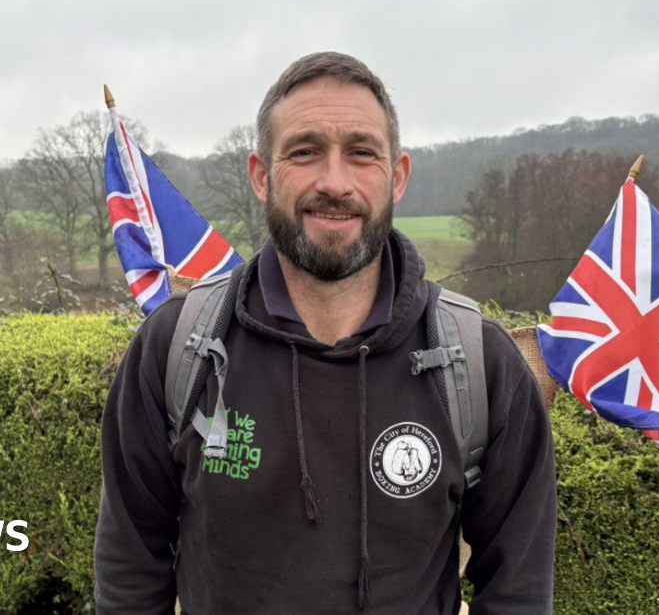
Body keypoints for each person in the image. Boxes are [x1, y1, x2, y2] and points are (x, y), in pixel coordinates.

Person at [94, 52, 556, 614]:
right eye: (305, 151)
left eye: (361, 153)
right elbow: (130, 568)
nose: (334, 182)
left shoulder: (479, 363)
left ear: (397, 177)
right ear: (261, 176)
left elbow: (518, 592)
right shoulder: (175, 347)